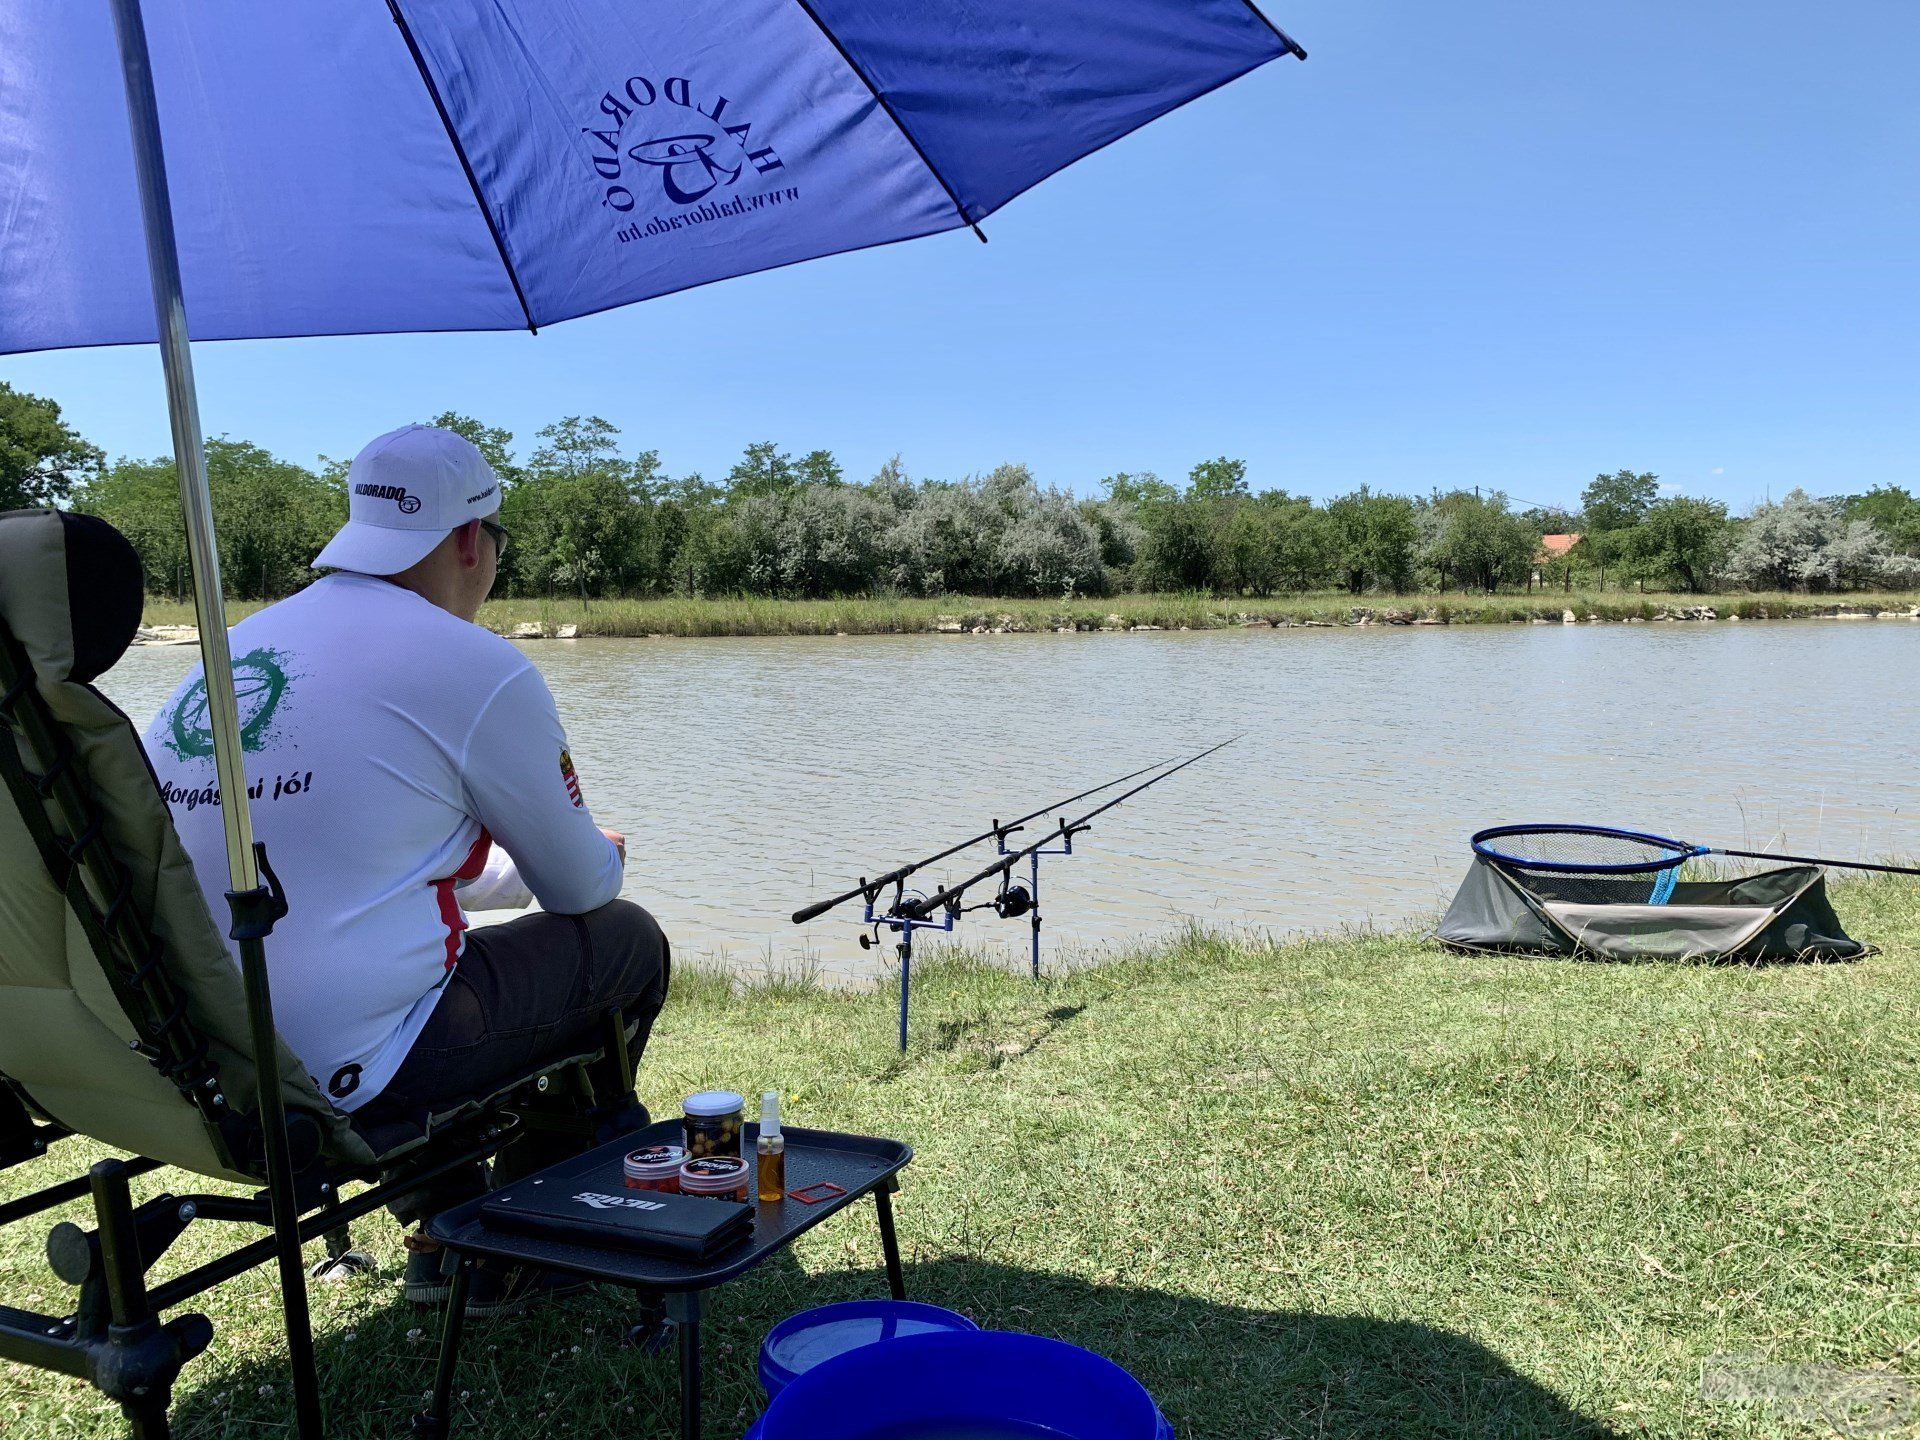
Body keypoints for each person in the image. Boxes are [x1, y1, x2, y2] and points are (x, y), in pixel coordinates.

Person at [146, 424, 668, 1315]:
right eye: (496, 544)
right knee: (626, 944)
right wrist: (590, 853)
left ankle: (443, 1214)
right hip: (331, 1068)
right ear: (471, 540)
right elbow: (582, 890)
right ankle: (510, 1250)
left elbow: (347, 864)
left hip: (187, 1051)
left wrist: (494, 874)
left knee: (415, 959)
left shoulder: (240, 651)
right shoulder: (477, 666)